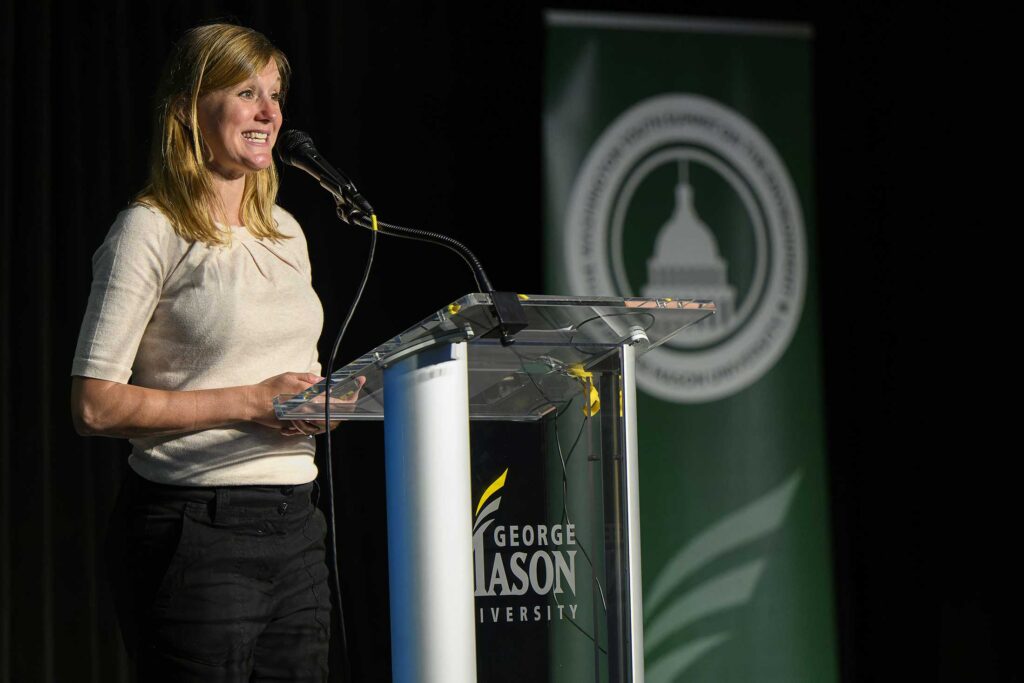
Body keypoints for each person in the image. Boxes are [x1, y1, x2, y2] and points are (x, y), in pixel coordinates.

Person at [70, 23, 345, 681]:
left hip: (298, 529)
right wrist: (252, 401)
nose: (269, 112)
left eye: (275, 95)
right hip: (196, 529)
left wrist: (324, 403)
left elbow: (283, 372)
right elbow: (94, 404)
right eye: (246, 91)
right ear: (191, 106)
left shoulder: (287, 232)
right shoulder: (149, 230)